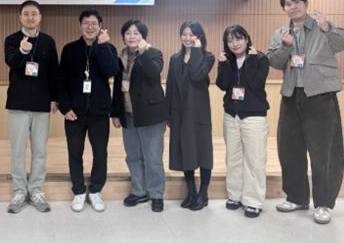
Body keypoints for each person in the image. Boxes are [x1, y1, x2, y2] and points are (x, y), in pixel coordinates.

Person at [268, 0, 344, 225]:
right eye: (288, 4)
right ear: (284, 9)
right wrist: (285, 46)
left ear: (306, 4)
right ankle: (296, 197)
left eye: (297, 2)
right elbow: (274, 61)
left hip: (320, 96)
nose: (293, 7)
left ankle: (324, 203)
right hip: (291, 95)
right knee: (289, 149)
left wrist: (327, 26)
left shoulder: (321, 27)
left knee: (324, 152)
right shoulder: (281, 33)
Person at [58, 10, 118, 213]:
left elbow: (111, 71)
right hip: (74, 112)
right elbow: (61, 80)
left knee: (100, 153)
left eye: (94, 23)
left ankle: (95, 190)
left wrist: (103, 46)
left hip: (99, 111)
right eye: (86, 23)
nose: (90, 27)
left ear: (100, 26)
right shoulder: (69, 49)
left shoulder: (108, 47)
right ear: (80, 25)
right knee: (75, 153)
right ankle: (78, 191)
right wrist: (65, 108)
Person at [4, 0, 58, 213]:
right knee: (18, 151)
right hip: (18, 103)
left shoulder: (48, 41)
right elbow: (11, 62)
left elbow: (54, 72)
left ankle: (36, 190)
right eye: (26, 14)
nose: (30, 17)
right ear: (20, 17)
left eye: (34, 13)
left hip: (42, 104)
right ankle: (19, 191)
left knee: (39, 151)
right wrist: (22, 50)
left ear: (40, 17)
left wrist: (54, 98)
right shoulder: (11, 39)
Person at [112, 20, 169, 212]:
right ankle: (139, 190)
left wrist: (143, 52)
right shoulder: (120, 56)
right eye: (128, 33)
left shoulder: (154, 54)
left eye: (136, 33)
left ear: (143, 36)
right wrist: (115, 112)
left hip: (150, 115)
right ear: (123, 36)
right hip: (128, 115)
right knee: (133, 156)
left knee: (152, 157)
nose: (132, 37)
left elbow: (153, 73)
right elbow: (117, 87)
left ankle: (156, 194)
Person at [215, 25, 270, 218]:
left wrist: (251, 60)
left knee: (255, 160)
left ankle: (253, 201)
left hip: (254, 117)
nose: (234, 44)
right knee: (233, 158)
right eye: (230, 41)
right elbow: (222, 85)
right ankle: (235, 195)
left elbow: (256, 84)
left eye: (238, 39)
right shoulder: (227, 60)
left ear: (247, 39)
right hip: (231, 115)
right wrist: (223, 65)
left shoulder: (260, 58)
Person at [167, 20, 215, 211]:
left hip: (198, 113)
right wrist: (168, 114)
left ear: (199, 36)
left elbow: (196, 75)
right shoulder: (174, 58)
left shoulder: (208, 57)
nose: (188, 38)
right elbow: (170, 86)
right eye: (184, 34)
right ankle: (192, 191)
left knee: (203, 152)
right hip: (179, 113)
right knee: (185, 150)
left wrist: (196, 51)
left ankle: (203, 193)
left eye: (192, 34)